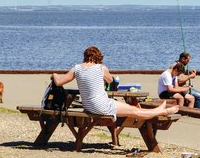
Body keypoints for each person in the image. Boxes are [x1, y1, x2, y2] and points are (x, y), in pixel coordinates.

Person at [51, 46, 179, 120]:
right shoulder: (101, 67)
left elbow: (58, 82)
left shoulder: (76, 68)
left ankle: (159, 110)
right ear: (97, 57)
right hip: (102, 105)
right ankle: (161, 112)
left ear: (85, 56)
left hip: (88, 106)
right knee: (134, 111)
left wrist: (54, 75)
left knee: (133, 110)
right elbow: (110, 80)